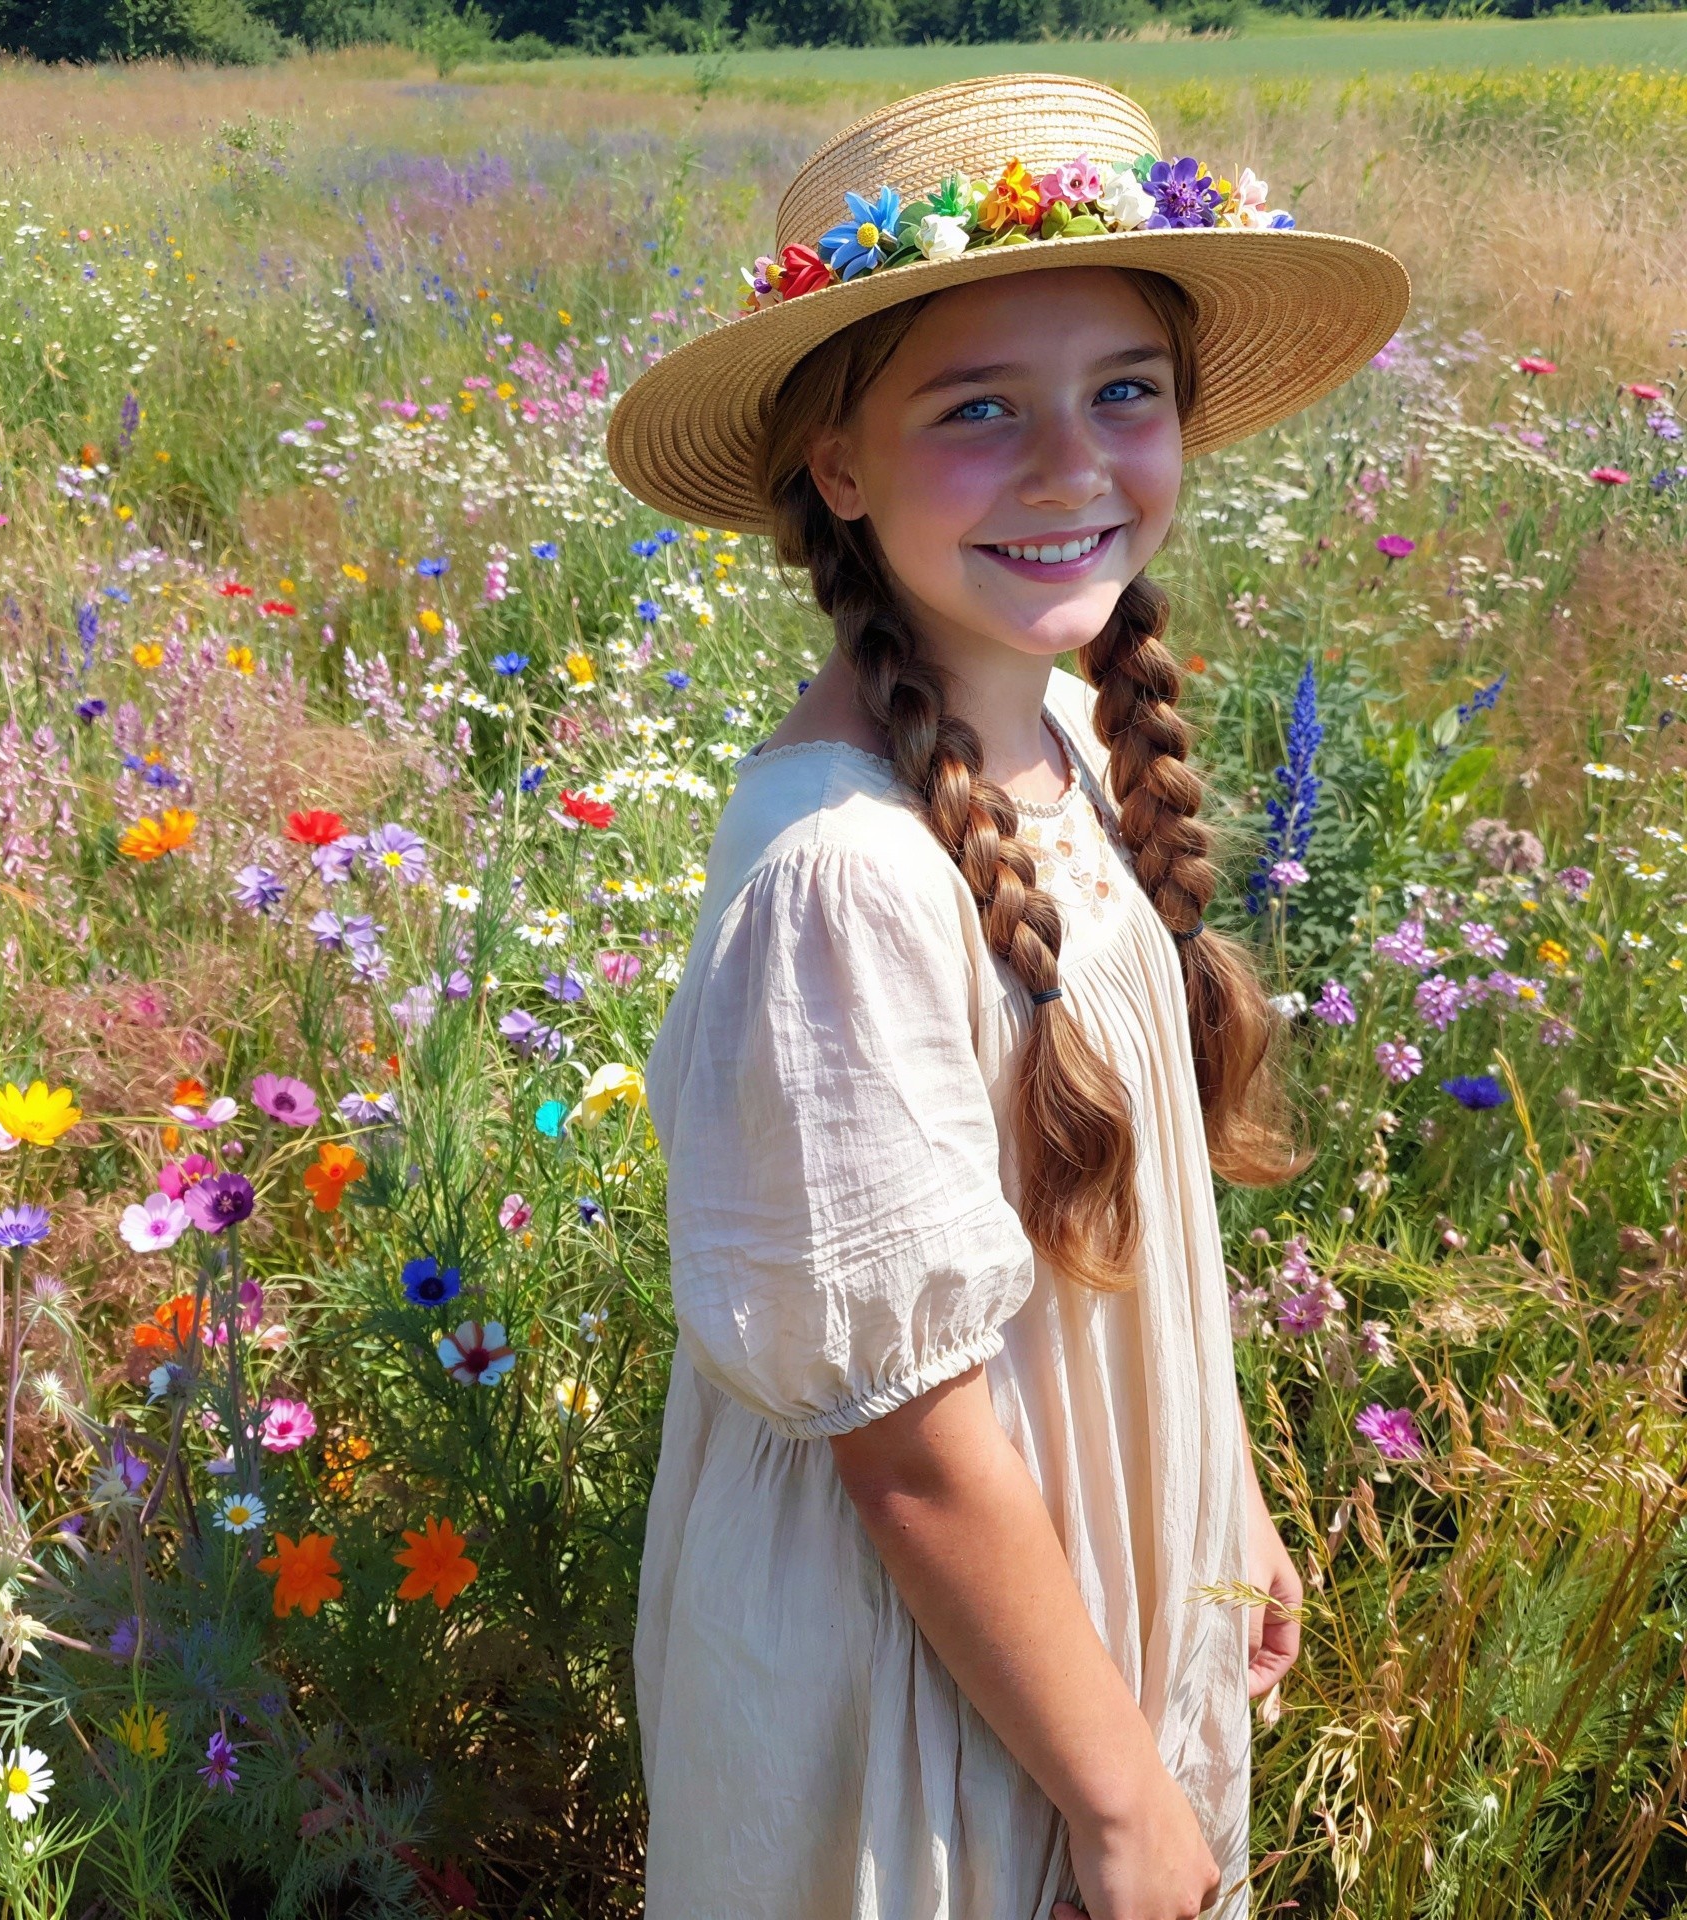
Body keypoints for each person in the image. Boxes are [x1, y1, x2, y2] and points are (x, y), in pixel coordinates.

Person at [604, 72, 1407, 1920]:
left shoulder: (1054, 742)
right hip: (944, 1674)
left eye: (1124, 390)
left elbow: (1104, 1240)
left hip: (1079, 1587)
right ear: (839, 464)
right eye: (978, 409)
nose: (1070, 464)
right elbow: (911, 1439)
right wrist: (1117, 1803)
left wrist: (1223, 1497)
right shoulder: (842, 871)